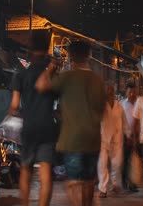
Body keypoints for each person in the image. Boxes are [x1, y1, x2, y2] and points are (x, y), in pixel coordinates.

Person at [35, 40, 106, 206]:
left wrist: (51, 67)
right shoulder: (98, 81)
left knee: (74, 182)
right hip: (93, 139)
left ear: (71, 56)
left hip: (72, 139)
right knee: (89, 182)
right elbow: (102, 110)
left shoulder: (66, 77)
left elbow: (40, 86)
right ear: (88, 56)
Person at [7, 34, 58, 206]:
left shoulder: (20, 74)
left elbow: (14, 106)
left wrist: (20, 112)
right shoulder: (52, 74)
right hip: (47, 127)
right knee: (45, 174)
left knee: (26, 170)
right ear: (46, 50)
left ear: (29, 51)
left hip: (29, 128)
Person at [97, 83, 129, 198]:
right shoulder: (100, 105)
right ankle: (103, 188)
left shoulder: (119, 106)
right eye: (107, 90)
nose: (109, 92)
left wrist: (128, 134)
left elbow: (124, 122)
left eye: (111, 90)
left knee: (117, 163)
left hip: (117, 139)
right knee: (102, 164)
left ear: (113, 92)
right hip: (103, 139)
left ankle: (115, 184)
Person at [119, 82, 139, 192]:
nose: (131, 94)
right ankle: (124, 182)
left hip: (137, 136)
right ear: (126, 92)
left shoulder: (139, 103)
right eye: (129, 92)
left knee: (134, 160)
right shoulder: (121, 104)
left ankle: (133, 183)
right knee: (125, 160)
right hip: (124, 136)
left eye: (133, 92)